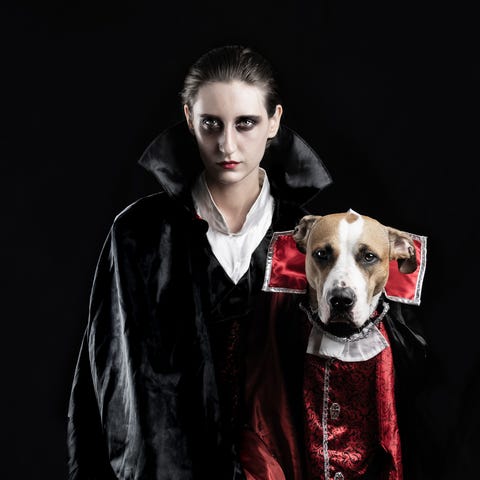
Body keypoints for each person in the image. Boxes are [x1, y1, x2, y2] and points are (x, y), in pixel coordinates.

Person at [67, 44, 333, 479]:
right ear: (189, 118)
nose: (227, 144)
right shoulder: (139, 234)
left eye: (245, 123)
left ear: (274, 122)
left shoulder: (313, 242)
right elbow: (102, 378)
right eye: (211, 123)